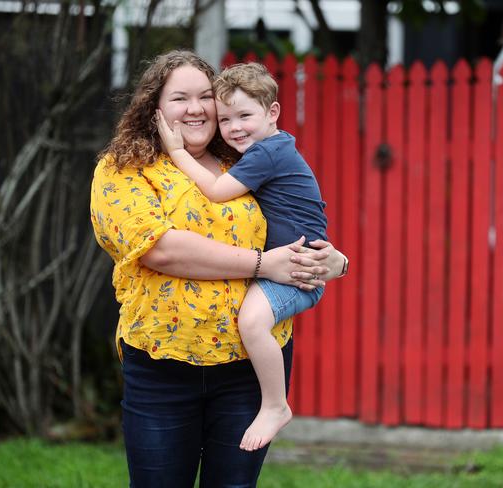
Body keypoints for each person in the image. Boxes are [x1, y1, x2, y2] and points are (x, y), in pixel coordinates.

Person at [90, 50, 348, 488]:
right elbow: (162, 250)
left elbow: (296, 217)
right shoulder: (124, 170)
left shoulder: (244, 158)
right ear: (155, 108)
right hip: (163, 368)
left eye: (205, 96)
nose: (195, 108)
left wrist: (337, 262)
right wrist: (265, 264)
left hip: (246, 372)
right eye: (179, 98)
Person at [156, 62, 328, 452]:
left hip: (298, 271)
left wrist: (178, 152)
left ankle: (275, 405)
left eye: (245, 116)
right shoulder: (271, 147)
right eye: (226, 119)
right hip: (292, 267)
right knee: (251, 320)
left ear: (273, 113)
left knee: (251, 323)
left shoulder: (267, 153)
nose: (234, 128)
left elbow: (216, 191)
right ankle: (272, 403)